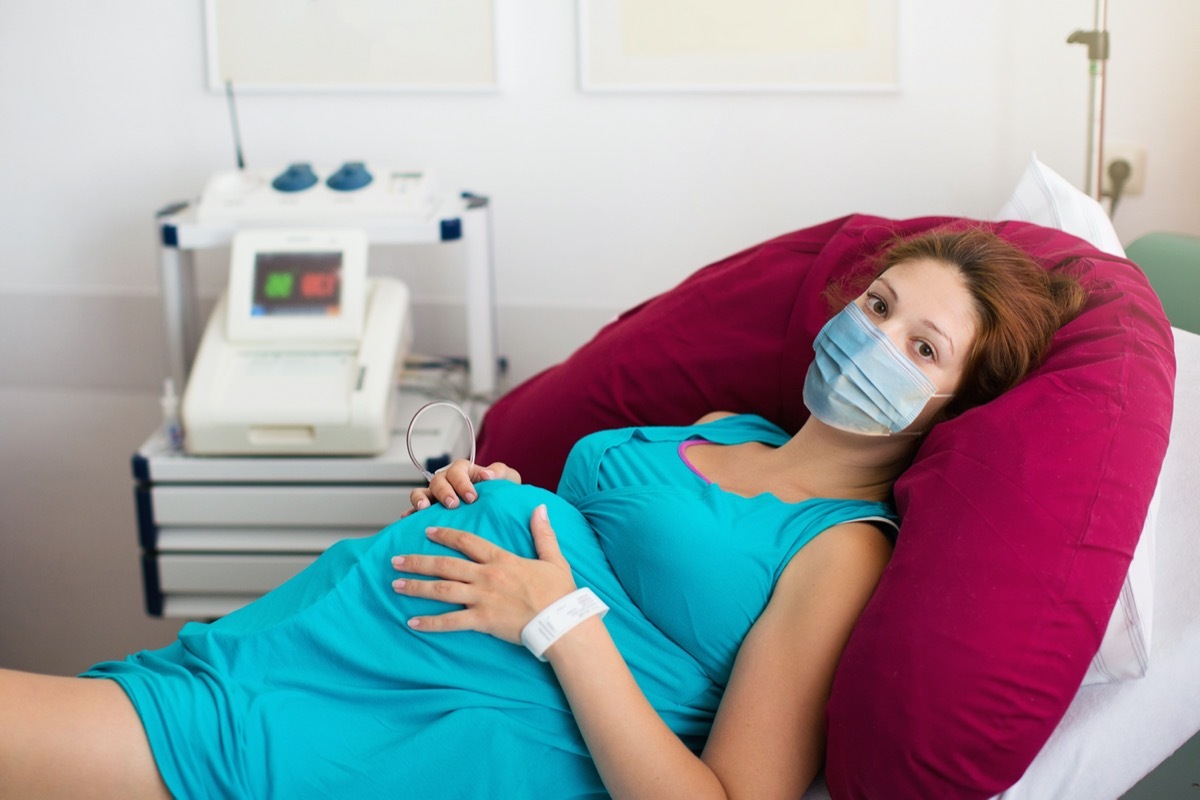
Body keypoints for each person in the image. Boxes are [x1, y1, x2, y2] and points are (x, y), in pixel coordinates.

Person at [0, 225, 1086, 799]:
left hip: (438, 723)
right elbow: (579, 535)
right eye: (879, 303)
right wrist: (494, 501)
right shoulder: (726, 424)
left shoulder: (841, 552)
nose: (875, 338)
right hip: (340, 627)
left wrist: (554, 611)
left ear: (955, 401)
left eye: (923, 347)